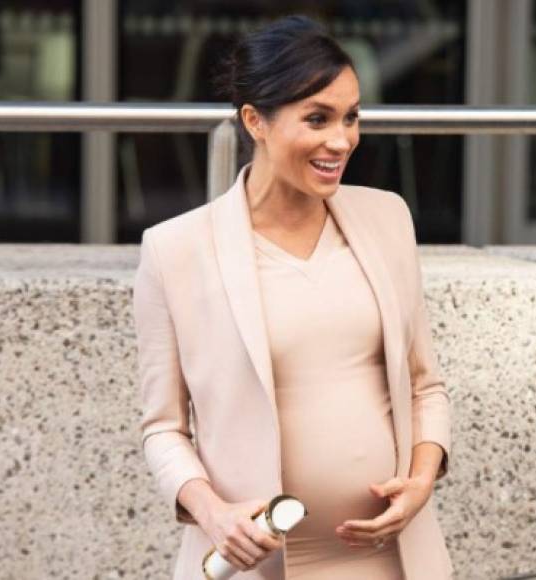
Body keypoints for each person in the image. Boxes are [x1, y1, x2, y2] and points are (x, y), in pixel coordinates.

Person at [133, 14, 452, 580]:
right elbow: (163, 428)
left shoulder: (387, 218)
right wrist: (214, 514)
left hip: (390, 561)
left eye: (351, 117)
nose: (342, 140)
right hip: (257, 567)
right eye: (317, 118)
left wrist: (422, 481)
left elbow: (425, 383)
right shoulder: (174, 250)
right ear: (255, 121)